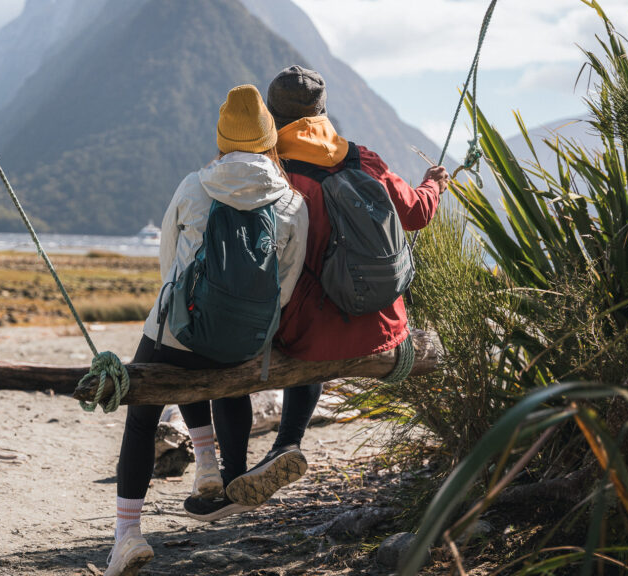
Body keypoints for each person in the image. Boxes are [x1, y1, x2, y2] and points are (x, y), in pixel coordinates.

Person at [191, 65, 449, 515]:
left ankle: (233, 478)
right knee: (316, 313)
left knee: (228, 351)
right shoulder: (361, 158)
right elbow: (416, 213)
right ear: (323, 111)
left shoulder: (271, 169)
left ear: (271, 117)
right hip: (380, 325)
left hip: (307, 333)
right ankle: (287, 442)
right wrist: (434, 183)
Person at [104, 84, 308, 576]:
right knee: (224, 374)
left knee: (142, 416)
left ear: (222, 139)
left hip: (179, 339)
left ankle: (128, 535)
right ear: (269, 140)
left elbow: (167, 270)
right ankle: (213, 469)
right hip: (244, 347)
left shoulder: (193, 186)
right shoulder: (292, 202)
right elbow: (285, 287)